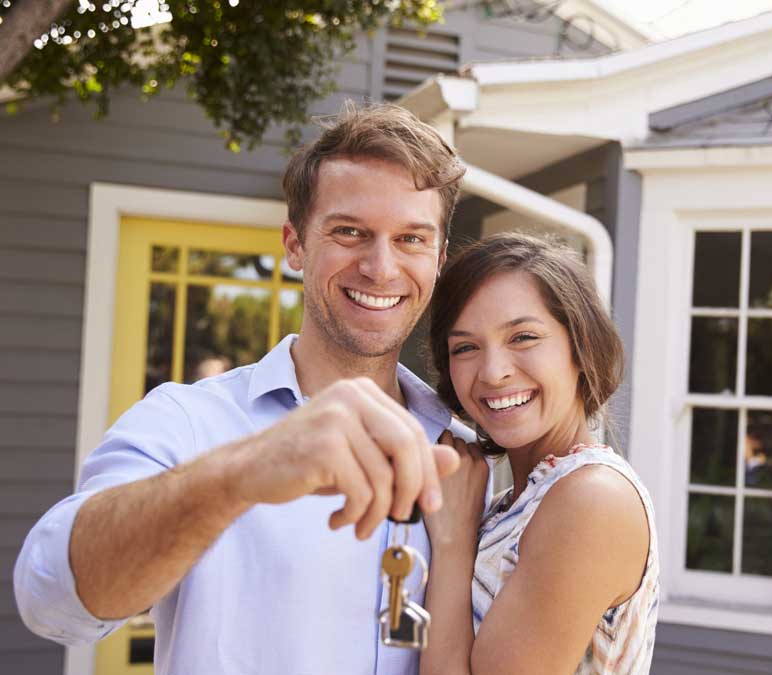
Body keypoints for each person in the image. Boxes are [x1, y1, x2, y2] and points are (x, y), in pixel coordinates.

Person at [14, 102, 474, 675]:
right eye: (350, 232)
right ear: (295, 244)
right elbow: (51, 602)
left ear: (438, 258)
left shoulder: (470, 456)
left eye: (411, 239)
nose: (381, 268)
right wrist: (241, 472)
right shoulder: (187, 422)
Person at [420, 233, 660, 674]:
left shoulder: (592, 500)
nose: (493, 373)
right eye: (466, 347)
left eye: (524, 337)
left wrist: (452, 543)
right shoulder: (511, 501)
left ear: (580, 346)